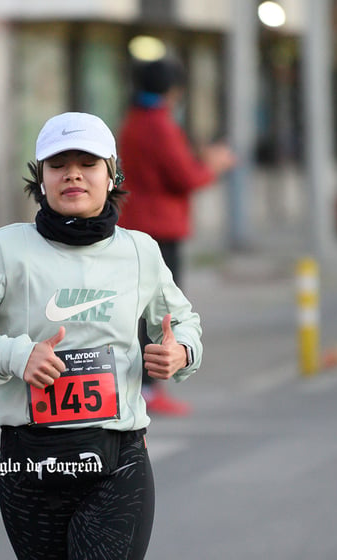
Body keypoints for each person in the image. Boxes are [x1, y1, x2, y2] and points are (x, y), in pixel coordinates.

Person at [0, 112, 202, 559]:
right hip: (30, 462)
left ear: (113, 174)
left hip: (119, 459)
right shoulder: (5, 248)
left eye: (88, 163)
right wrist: (18, 356)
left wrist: (181, 351)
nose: (72, 174)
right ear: (40, 178)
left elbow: (183, 323)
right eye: (58, 165)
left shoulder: (140, 251)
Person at [117, 58, 235, 416]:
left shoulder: (132, 122)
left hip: (135, 222)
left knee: (141, 310)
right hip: (161, 228)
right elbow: (185, 177)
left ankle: (145, 387)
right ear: (172, 91)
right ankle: (151, 389)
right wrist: (215, 164)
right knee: (162, 312)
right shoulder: (160, 126)